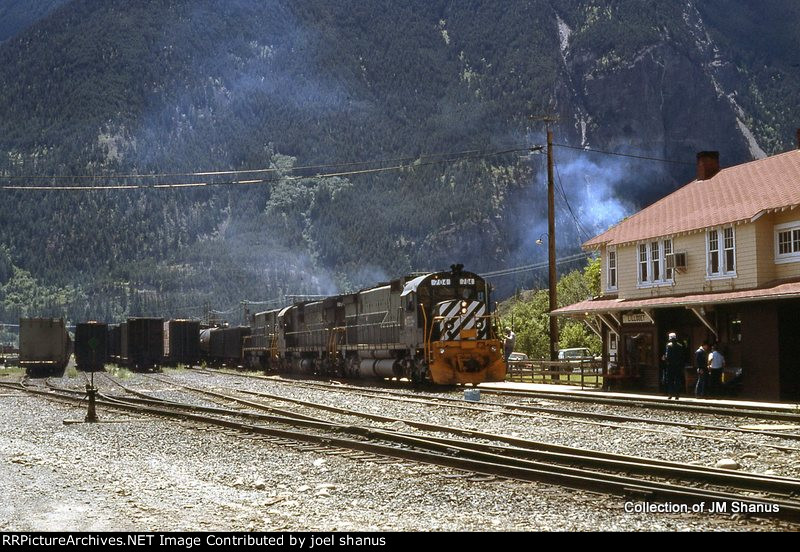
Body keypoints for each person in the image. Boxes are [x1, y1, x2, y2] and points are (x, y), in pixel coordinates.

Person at [663, 332, 686, 399]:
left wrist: (665, 359)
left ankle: (670, 394)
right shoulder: (680, 345)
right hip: (678, 366)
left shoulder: (668, 345)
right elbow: (682, 356)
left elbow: (667, 356)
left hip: (670, 366)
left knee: (670, 380)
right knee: (677, 380)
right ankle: (677, 395)